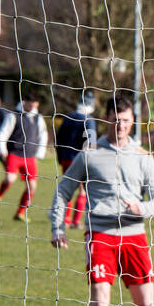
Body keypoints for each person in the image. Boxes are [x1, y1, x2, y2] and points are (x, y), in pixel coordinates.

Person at [50, 92, 154, 306]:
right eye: (115, 120)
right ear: (106, 120)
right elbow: (63, 191)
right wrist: (57, 228)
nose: (120, 126)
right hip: (100, 235)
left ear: (133, 122)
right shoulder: (89, 154)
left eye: (126, 121)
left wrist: (141, 208)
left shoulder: (143, 157)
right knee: (100, 300)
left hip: (134, 237)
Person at [0, 91, 48, 221]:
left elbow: (43, 136)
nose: (32, 106)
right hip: (15, 154)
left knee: (32, 186)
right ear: (24, 102)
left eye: (34, 103)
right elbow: (3, 133)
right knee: (10, 179)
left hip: (30, 157)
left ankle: (20, 213)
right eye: (30, 103)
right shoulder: (13, 116)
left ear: (36, 104)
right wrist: (2, 149)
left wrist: (40, 153)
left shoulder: (38, 118)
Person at [54, 91, 98, 227]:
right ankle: (75, 221)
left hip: (66, 158)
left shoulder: (68, 117)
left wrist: (60, 156)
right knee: (82, 190)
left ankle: (65, 220)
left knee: (67, 189)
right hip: (80, 159)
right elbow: (91, 143)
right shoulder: (88, 120)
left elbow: (58, 138)